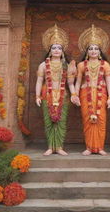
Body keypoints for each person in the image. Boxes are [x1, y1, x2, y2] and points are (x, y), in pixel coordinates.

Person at [71, 25, 110, 156]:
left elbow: (109, 82)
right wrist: (75, 95)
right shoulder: (81, 65)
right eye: (91, 49)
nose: (93, 51)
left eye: (96, 49)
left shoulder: (105, 64)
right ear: (87, 51)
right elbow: (78, 81)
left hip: (101, 94)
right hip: (85, 93)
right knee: (88, 120)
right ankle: (89, 147)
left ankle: (99, 147)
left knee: (101, 120)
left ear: (100, 51)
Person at [35, 24, 76, 156]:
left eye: (59, 48)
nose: (56, 50)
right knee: (49, 122)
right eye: (54, 48)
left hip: (62, 96)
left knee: (61, 122)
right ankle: (50, 147)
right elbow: (39, 81)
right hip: (47, 95)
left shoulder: (66, 65)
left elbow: (70, 83)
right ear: (50, 50)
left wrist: (74, 94)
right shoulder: (43, 65)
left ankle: (58, 147)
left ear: (62, 51)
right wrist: (37, 96)